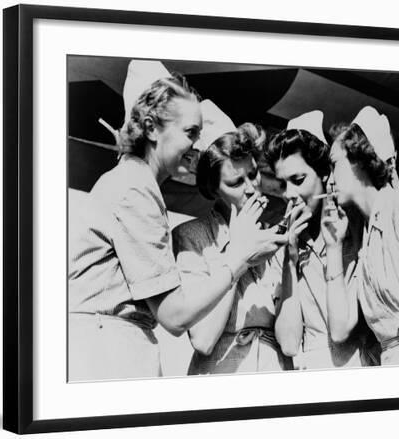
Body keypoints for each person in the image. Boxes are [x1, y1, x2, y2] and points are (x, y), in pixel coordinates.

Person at [68, 61, 287, 381]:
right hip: (108, 351)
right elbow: (174, 315)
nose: (200, 147)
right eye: (191, 133)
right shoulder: (135, 189)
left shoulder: (134, 183)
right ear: (152, 128)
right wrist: (239, 257)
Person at [322, 106, 399, 365]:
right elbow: (339, 329)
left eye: (334, 165)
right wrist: (333, 247)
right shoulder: (366, 238)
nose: (329, 180)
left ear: (360, 158)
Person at [173, 122, 294, 374]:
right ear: (213, 189)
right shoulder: (192, 237)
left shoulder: (275, 236)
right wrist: (239, 257)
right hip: (221, 372)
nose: (250, 188)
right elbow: (203, 340)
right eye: (236, 182)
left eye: (252, 174)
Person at [264, 111, 376, 370]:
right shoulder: (282, 245)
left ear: (325, 173)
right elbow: (290, 344)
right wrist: (288, 262)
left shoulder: (358, 226)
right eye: (282, 185)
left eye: (298, 180)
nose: (289, 194)